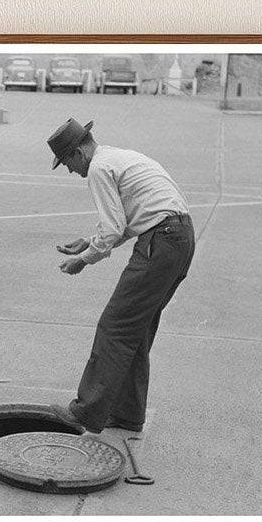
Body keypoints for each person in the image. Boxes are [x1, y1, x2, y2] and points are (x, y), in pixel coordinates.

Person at [46, 118, 195, 434]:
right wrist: (90, 241)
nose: (72, 172)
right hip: (179, 238)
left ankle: (85, 412)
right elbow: (132, 219)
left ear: (77, 154)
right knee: (135, 329)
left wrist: (84, 260)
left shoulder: (98, 169)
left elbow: (113, 227)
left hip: (161, 241)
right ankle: (127, 413)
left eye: (68, 164)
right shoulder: (117, 156)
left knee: (114, 326)